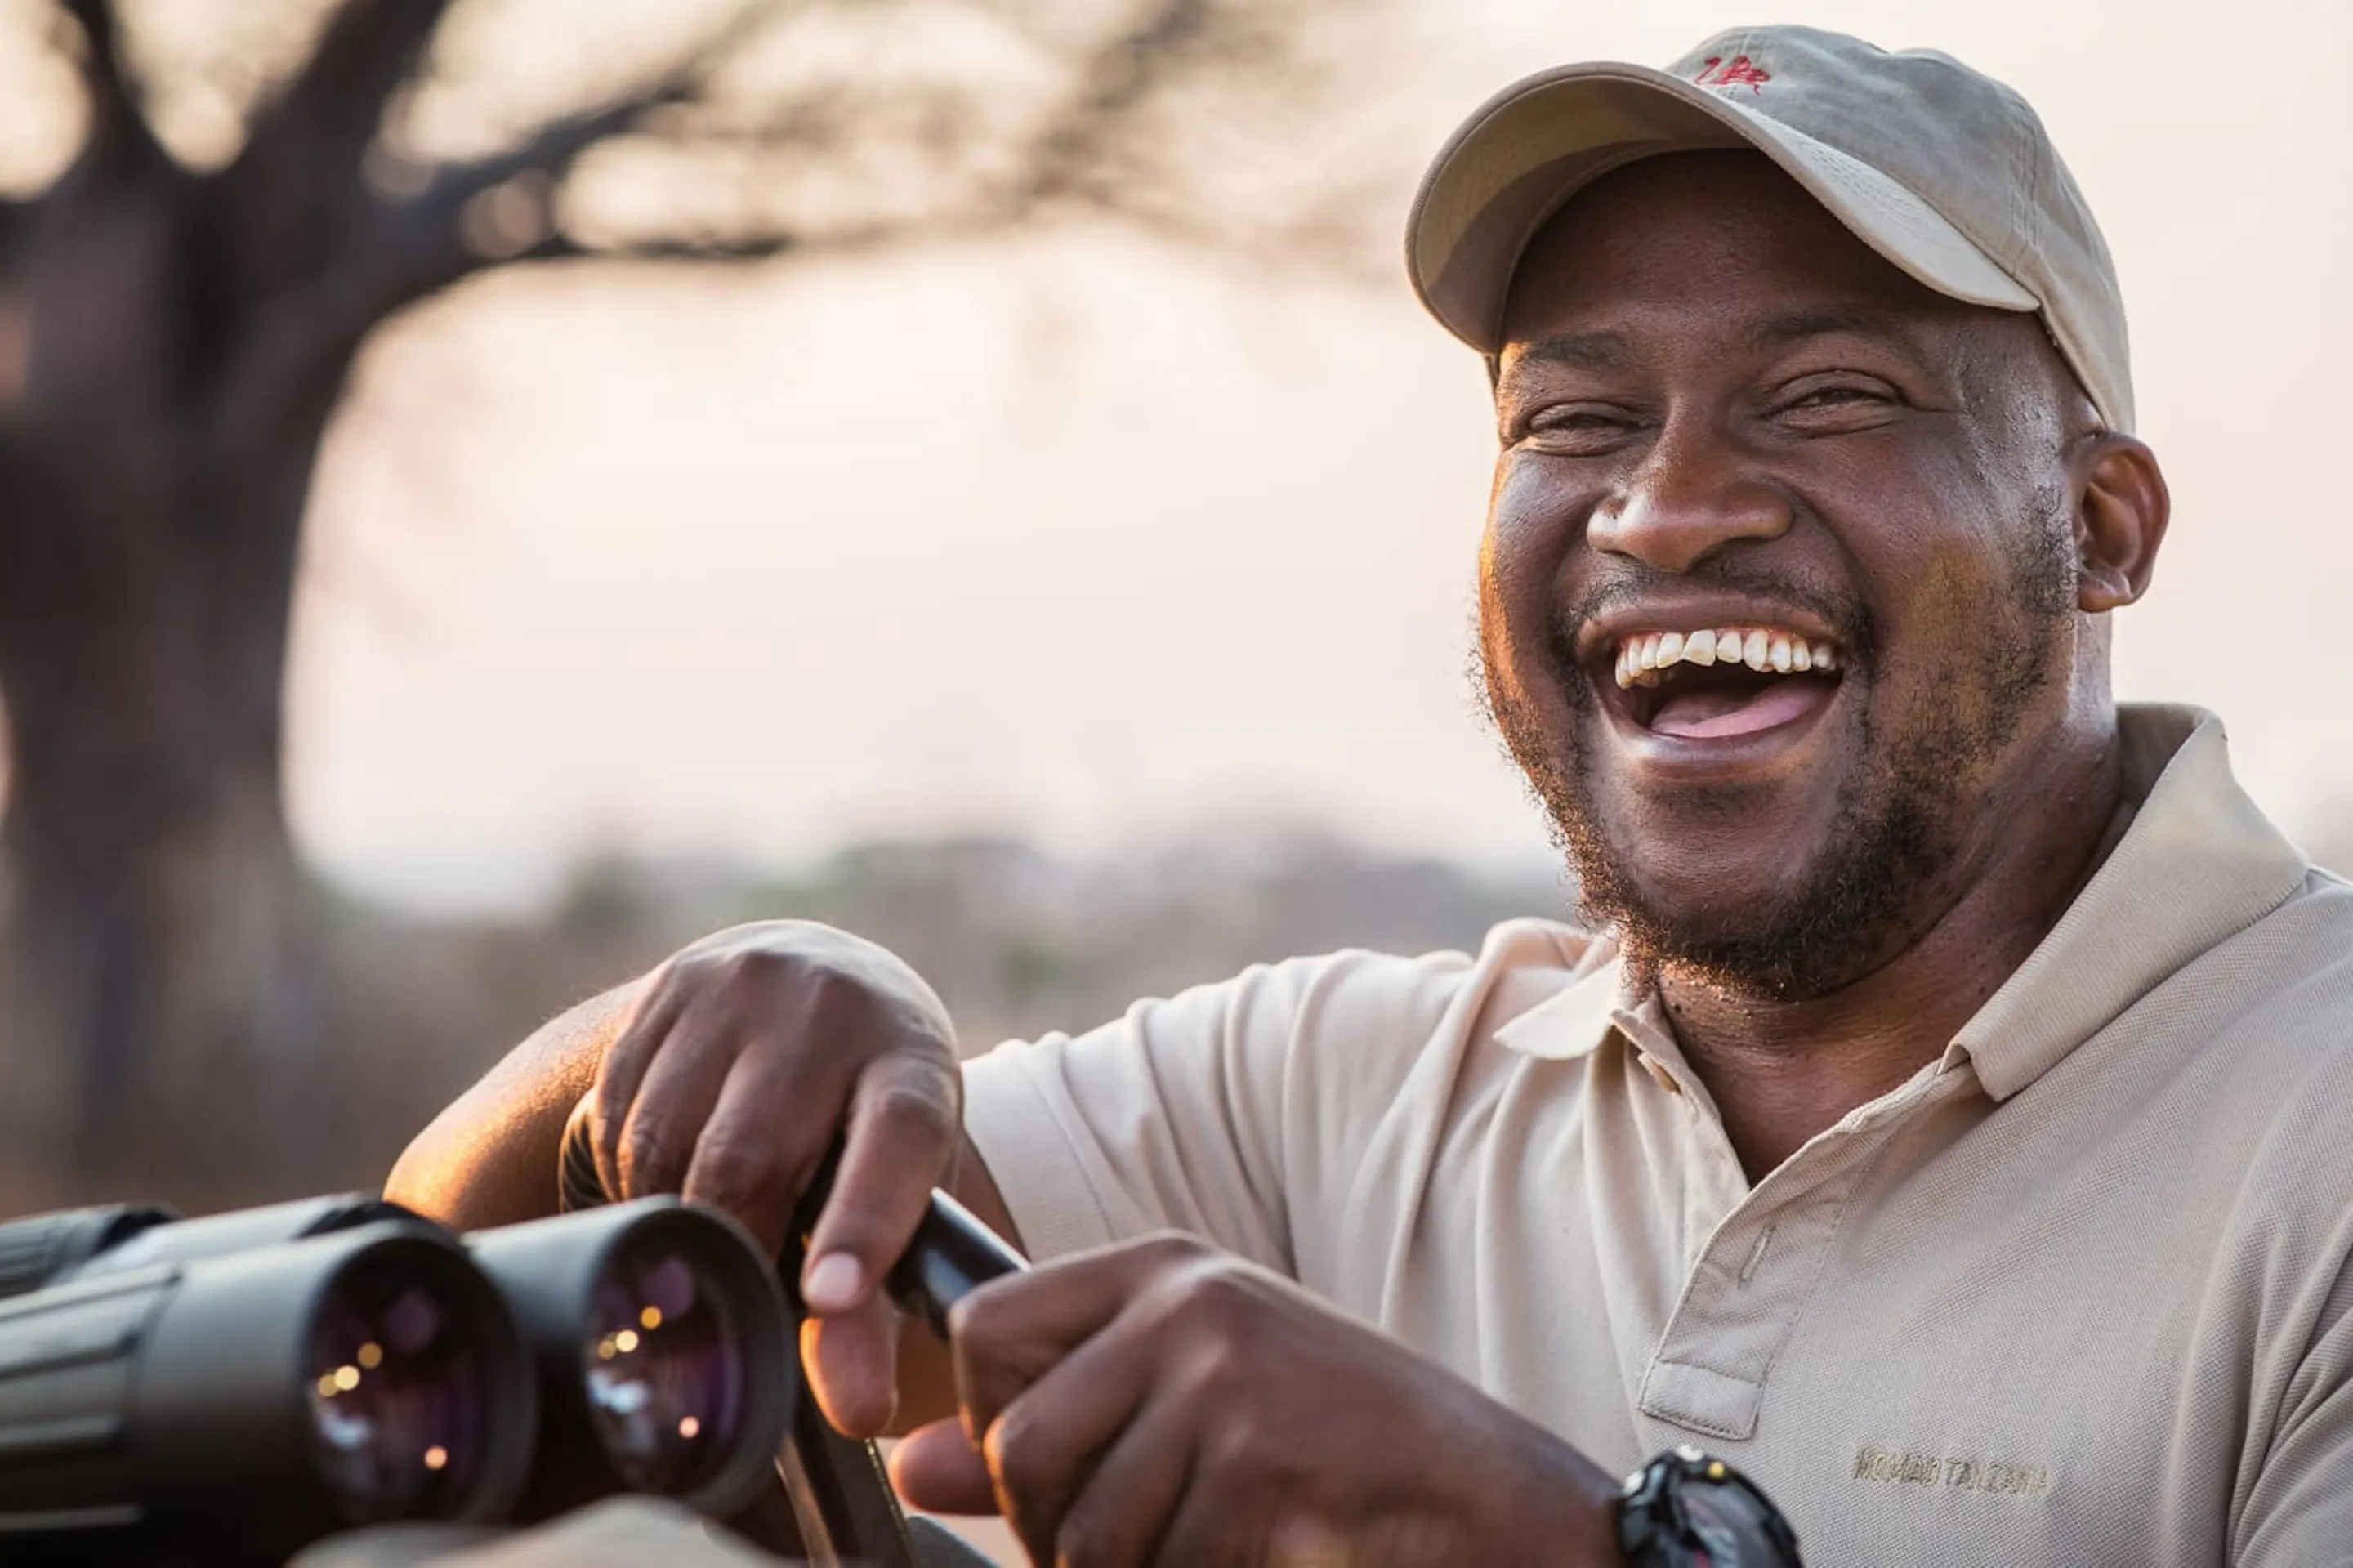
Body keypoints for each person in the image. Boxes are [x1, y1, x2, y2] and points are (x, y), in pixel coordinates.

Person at [386, 23, 2353, 1566]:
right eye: (1573, 417)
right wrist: (743, 996)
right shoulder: (1339, 1097)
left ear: (2099, 526)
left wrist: (1575, 1552)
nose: (1666, 505)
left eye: (1829, 393)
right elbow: (425, 1307)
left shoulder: (2311, 1117)